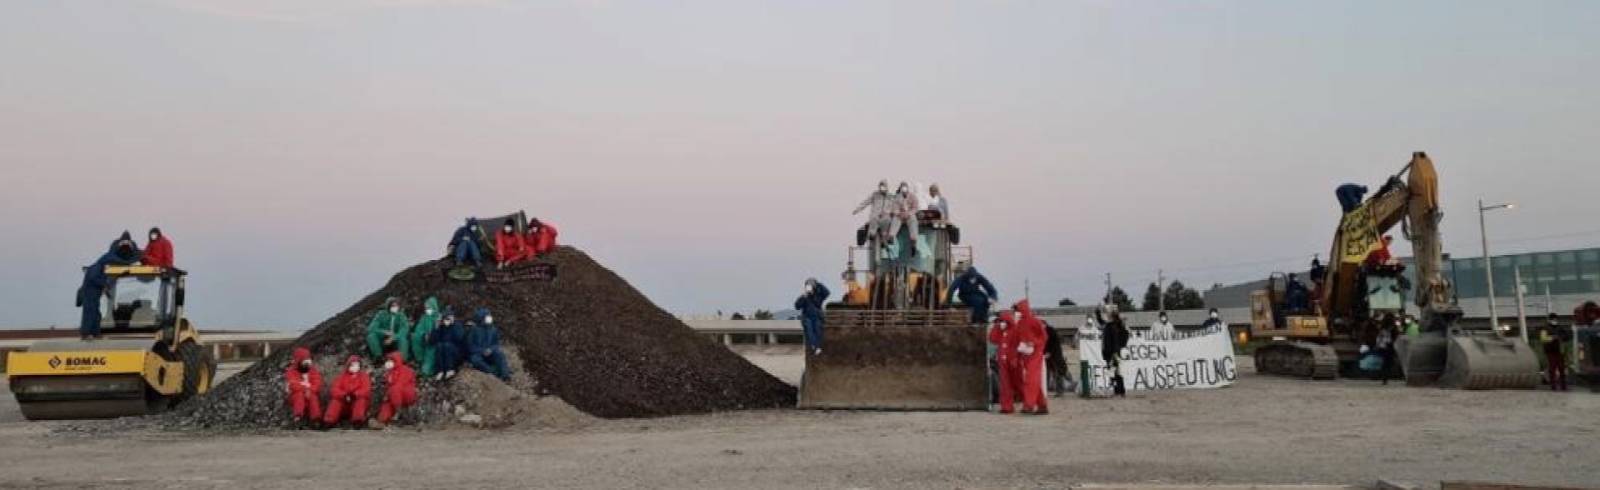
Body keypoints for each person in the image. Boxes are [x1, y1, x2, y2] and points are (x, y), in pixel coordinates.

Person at [75, 232, 143, 340]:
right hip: (93, 289)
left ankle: (94, 333)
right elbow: (95, 277)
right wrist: (105, 285)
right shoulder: (104, 263)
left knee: (95, 312)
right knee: (91, 310)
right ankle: (88, 333)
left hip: (96, 287)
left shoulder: (111, 261)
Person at [1012, 300, 1049, 414]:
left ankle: (1029, 404)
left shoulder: (1034, 321)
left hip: (1035, 352)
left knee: (1030, 379)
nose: (1016, 313)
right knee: (1032, 379)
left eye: (1017, 310)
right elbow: (1017, 339)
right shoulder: (1019, 323)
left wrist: (1034, 343)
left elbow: (1044, 337)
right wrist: (1017, 354)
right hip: (1026, 353)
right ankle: (1042, 406)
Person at [988, 311, 1023, 414]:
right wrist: (996, 327)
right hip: (1003, 362)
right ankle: (1007, 407)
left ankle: (1028, 401)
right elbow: (992, 339)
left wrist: (1016, 358)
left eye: (1003, 321)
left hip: (1014, 361)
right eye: (1000, 321)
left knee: (1018, 383)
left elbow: (1019, 346)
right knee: (1005, 385)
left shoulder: (1016, 330)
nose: (1001, 323)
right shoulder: (1000, 331)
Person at [323, 355, 372, 428]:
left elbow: (366, 389)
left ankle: (357, 421)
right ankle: (329, 421)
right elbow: (334, 389)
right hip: (344, 402)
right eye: (353, 365)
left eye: (357, 365)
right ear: (348, 366)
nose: (355, 367)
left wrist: (355, 394)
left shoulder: (364, 376)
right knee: (335, 401)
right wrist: (344, 395)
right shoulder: (341, 377)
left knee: (361, 400)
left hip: (356, 402)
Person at [374, 352, 418, 428]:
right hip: (396, 396)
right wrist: (387, 396)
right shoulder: (390, 373)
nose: (388, 362)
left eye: (391, 360)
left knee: (394, 389)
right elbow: (389, 386)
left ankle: (398, 412)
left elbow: (399, 384)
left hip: (407, 395)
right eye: (388, 360)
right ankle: (381, 421)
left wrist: (388, 394)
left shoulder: (406, 370)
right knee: (386, 404)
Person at [466, 308, 511, 381]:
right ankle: (493, 372)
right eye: (487, 317)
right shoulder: (473, 330)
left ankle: (505, 375)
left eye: (489, 316)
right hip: (478, 354)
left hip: (490, 352)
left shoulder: (493, 329)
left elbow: (496, 344)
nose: (490, 318)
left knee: (500, 354)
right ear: (481, 318)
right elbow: (470, 346)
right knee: (475, 360)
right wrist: (482, 351)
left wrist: (491, 349)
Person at [284, 347, 323, 429]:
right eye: (305, 360)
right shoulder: (291, 371)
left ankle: (315, 420)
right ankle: (298, 418)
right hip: (295, 395)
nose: (308, 362)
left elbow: (317, 383)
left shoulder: (312, 370)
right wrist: (306, 389)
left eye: (308, 359)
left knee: (313, 398)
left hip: (310, 393)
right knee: (299, 396)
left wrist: (310, 389)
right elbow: (293, 384)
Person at [365, 298, 410, 362]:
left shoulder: (401, 315)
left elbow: (405, 329)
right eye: (392, 306)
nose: (395, 307)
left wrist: (393, 338)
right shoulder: (381, 314)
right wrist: (384, 332)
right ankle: (378, 356)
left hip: (395, 340)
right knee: (371, 336)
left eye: (396, 306)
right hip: (383, 340)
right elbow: (371, 328)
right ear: (388, 306)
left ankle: (402, 359)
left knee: (403, 339)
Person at [1099, 308, 1130, 397]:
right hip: (1110, 353)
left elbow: (1119, 338)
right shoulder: (1110, 325)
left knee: (1115, 372)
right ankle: (1118, 391)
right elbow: (1101, 321)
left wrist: (1116, 352)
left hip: (1113, 353)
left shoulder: (1114, 326)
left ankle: (1120, 391)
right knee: (1114, 373)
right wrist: (1098, 312)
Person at [795, 278, 831, 355]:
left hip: (817, 317)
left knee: (818, 331)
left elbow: (827, 293)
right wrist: (803, 297)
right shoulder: (804, 297)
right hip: (807, 317)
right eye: (808, 286)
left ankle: (817, 347)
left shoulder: (818, 296)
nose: (809, 288)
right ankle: (814, 346)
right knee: (809, 330)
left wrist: (818, 284)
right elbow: (797, 306)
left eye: (811, 286)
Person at [408, 297, 441, 378]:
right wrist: (424, 335)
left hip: (434, 344)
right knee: (414, 336)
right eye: (426, 308)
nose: (427, 310)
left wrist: (432, 336)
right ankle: (420, 359)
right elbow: (418, 329)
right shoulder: (424, 317)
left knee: (426, 369)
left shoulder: (439, 318)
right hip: (425, 341)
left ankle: (428, 367)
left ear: (434, 307)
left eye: (429, 308)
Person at [886, 182, 921, 253]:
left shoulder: (913, 196)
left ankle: (913, 240)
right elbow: (894, 208)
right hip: (900, 215)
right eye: (902, 187)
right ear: (900, 189)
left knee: (913, 220)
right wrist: (899, 213)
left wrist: (909, 213)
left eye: (905, 187)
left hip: (909, 215)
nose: (904, 189)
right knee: (895, 220)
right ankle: (891, 236)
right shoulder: (897, 197)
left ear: (908, 188)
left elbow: (915, 207)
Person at [432, 308, 465, 380]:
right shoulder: (442, 327)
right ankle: (440, 370)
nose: (447, 320)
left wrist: (453, 325)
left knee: (447, 346)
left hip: (456, 351)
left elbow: (459, 338)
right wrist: (436, 328)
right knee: (439, 346)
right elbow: (434, 340)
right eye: (446, 318)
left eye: (449, 318)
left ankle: (450, 369)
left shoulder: (458, 325)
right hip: (444, 349)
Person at [1043, 320, 1072, 397]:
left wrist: (1049, 352)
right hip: (1051, 356)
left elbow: (1053, 343)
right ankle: (1050, 390)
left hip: (1054, 356)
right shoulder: (1047, 332)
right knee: (1053, 373)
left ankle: (1059, 391)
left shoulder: (1050, 331)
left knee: (1058, 373)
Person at [1542, 313, 1569, 392]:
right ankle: (1553, 386)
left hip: (1560, 351)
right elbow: (1543, 338)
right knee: (1552, 369)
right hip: (1550, 351)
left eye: (1555, 319)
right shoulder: (1545, 328)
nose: (1554, 321)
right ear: (1549, 320)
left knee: (1562, 369)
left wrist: (1561, 337)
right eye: (1553, 319)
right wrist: (1553, 337)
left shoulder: (1560, 328)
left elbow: (1567, 337)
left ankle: (1563, 386)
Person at [1374, 316, 1398, 385]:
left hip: (1383, 347)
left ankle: (1384, 377)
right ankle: (1385, 377)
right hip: (1389, 346)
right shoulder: (1392, 329)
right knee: (1388, 363)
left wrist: (1377, 345)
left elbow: (1379, 338)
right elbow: (1392, 338)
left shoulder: (1382, 329)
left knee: (1385, 362)